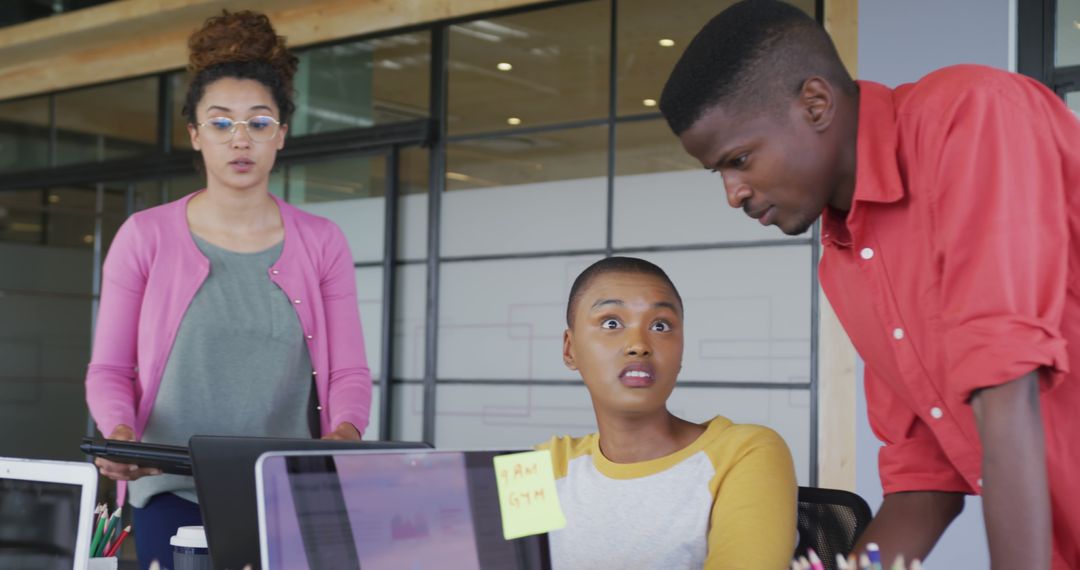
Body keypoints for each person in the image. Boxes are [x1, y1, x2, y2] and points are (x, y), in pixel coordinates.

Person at [658, 1, 1080, 568]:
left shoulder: (970, 115)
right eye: (720, 172)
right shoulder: (844, 260)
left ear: (815, 104)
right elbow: (924, 477)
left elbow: (1006, 390)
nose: (733, 192)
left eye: (739, 159)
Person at [85, 10, 372, 569]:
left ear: (281, 135)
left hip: (285, 490)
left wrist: (345, 434)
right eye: (220, 123)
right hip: (167, 488)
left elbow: (349, 374)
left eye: (259, 122)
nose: (240, 139)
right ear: (194, 133)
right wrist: (121, 436)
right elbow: (110, 371)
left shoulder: (323, 242)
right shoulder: (144, 236)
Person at [539, 256, 797, 570]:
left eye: (660, 326)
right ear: (570, 350)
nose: (638, 345)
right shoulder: (542, 466)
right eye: (611, 323)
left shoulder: (744, 451)